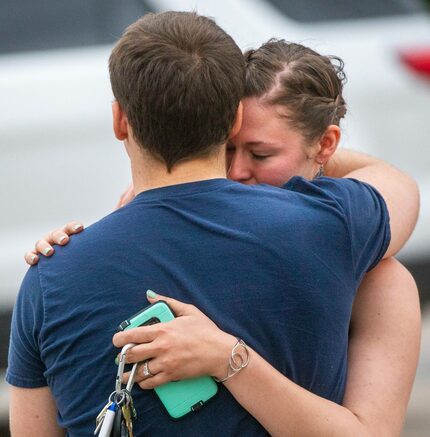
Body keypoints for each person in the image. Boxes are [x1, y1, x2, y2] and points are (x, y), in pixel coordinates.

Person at [8, 12, 419, 437]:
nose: (243, 169)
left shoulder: (49, 277)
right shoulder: (333, 227)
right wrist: (313, 154)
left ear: (120, 120)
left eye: (260, 155)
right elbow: (398, 188)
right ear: (233, 121)